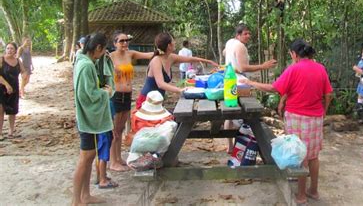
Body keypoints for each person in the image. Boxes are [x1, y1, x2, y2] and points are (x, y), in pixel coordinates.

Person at [243, 39, 333, 204]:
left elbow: (273, 88)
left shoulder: (293, 68)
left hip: (297, 117)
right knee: (313, 156)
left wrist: (250, 82)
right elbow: (328, 94)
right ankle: (313, 190)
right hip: (315, 118)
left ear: (294, 54)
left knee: (299, 154)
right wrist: (324, 112)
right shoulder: (320, 68)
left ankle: (301, 195)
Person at [72, 33, 114, 205]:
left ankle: (86, 195)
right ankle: (76, 200)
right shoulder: (86, 66)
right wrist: (105, 92)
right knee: (85, 158)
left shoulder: (86, 61)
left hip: (89, 119)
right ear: (98, 48)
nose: (104, 54)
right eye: (104, 50)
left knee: (89, 157)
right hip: (86, 119)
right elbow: (86, 95)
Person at [223, 23, 277, 153]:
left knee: (228, 115)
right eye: (245, 34)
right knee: (246, 114)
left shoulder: (230, 42)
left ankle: (230, 145)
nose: (248, 36)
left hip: (228, 80)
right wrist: (263, 66)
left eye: (249, 33)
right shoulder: (240, 46)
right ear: (238, 35)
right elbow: (243, 68)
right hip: (240, 82)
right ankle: (244, 146)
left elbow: (225, 52)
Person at [109, 31, 154, 172]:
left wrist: (161, 49)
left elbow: (149, 55)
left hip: (127, 95)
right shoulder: (110, 57)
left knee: (121, 129)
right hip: (116, 95)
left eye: (126, 40)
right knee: (114, 131)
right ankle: (113, 161)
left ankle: (118, 158)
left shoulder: (130, 54)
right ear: (115, 43)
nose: (125, 43)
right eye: (121, 41)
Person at [136, 32, 218, 109]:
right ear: (169, 45)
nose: (175, 42)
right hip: (146, 102)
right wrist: (179, 90)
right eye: (173, 41)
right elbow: (160, 84)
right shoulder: (156, 60)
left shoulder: (170, 57)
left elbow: (190, 59)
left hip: (158, 102)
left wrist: (209, 61)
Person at [95, 51, 118, 189]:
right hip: (104, 127)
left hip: (101, 126)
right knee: (103, 153)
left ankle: (100, 176)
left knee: (100, 152)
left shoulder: (104, 98)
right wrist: (113, 128)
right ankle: (103, 179)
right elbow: (111, 116)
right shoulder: (105, 99)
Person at [0, 42, 26, 141]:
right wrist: (6, 85)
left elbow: (23, 71)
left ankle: (11, 131)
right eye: (8, 48)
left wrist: (24, 75)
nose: (9, 50)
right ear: (5, 49)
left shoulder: (18, 61)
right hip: (2, 88)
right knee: (1, 110)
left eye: (11, 48)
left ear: (15, 50)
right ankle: (0, 133)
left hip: (14, 88)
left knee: (12, 111)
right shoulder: (1, 60)